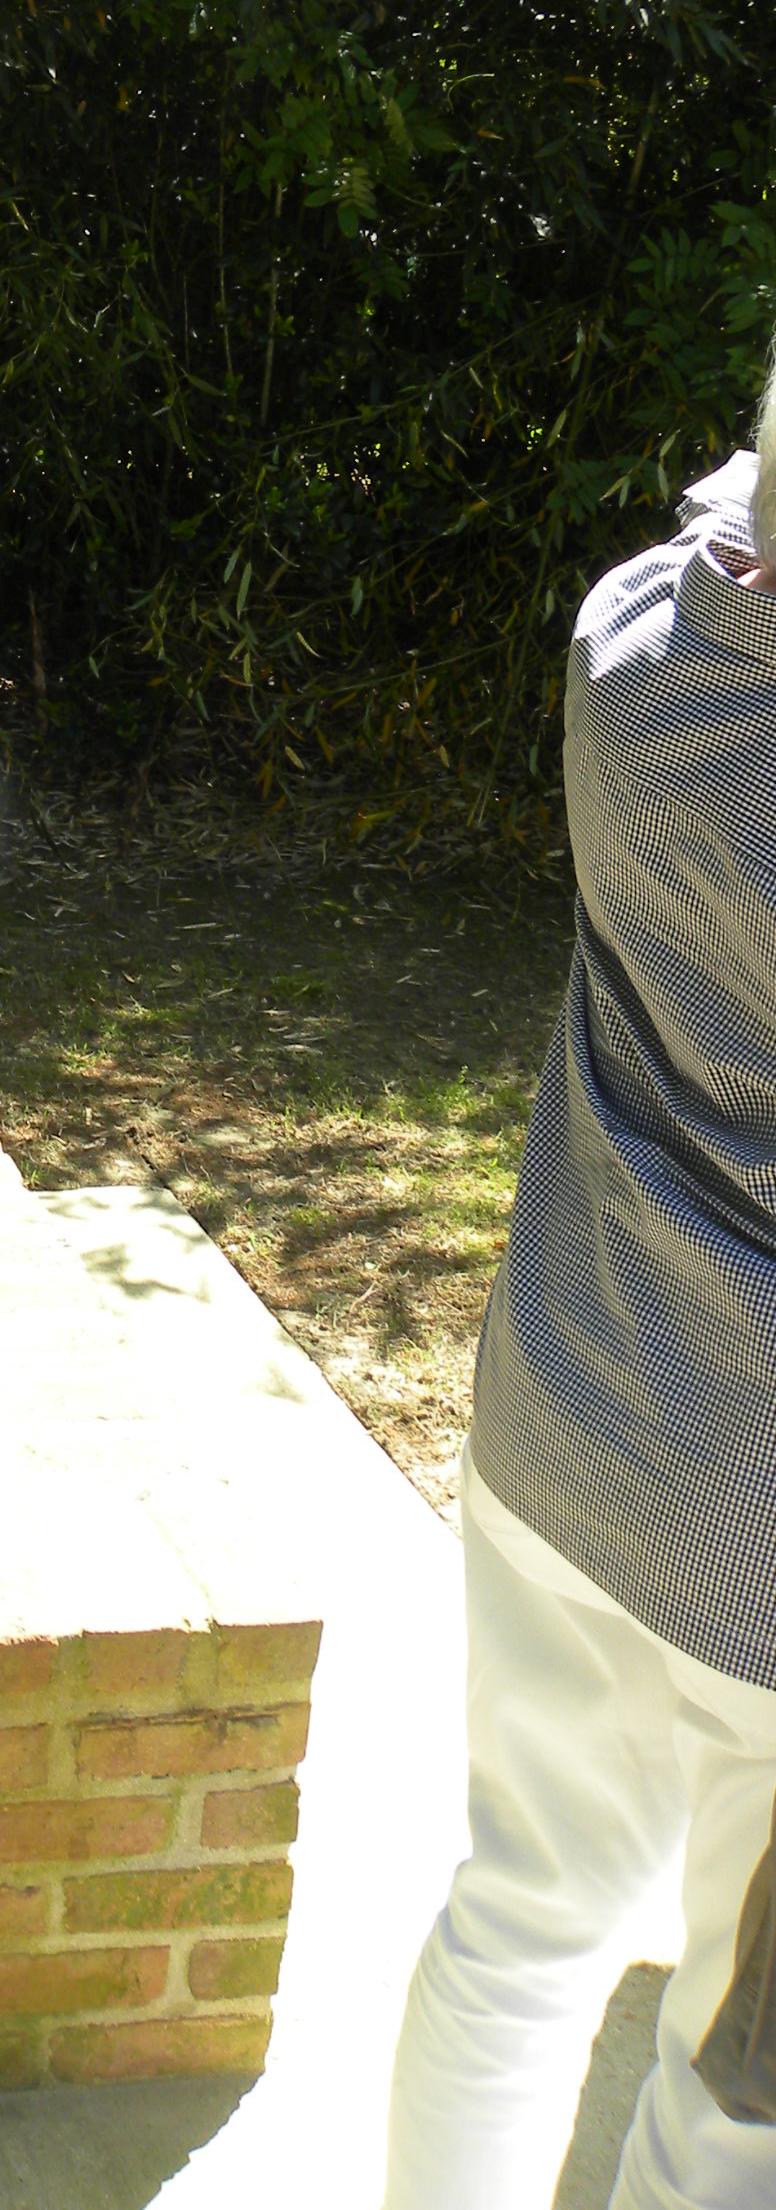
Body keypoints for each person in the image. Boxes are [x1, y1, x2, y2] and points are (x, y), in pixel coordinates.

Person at [384, 383, 776, 2207]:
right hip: (759, 1560)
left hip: (568, 1422)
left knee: (518, 1926)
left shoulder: (632, 666)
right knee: (737, 2088)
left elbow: (708, 545)